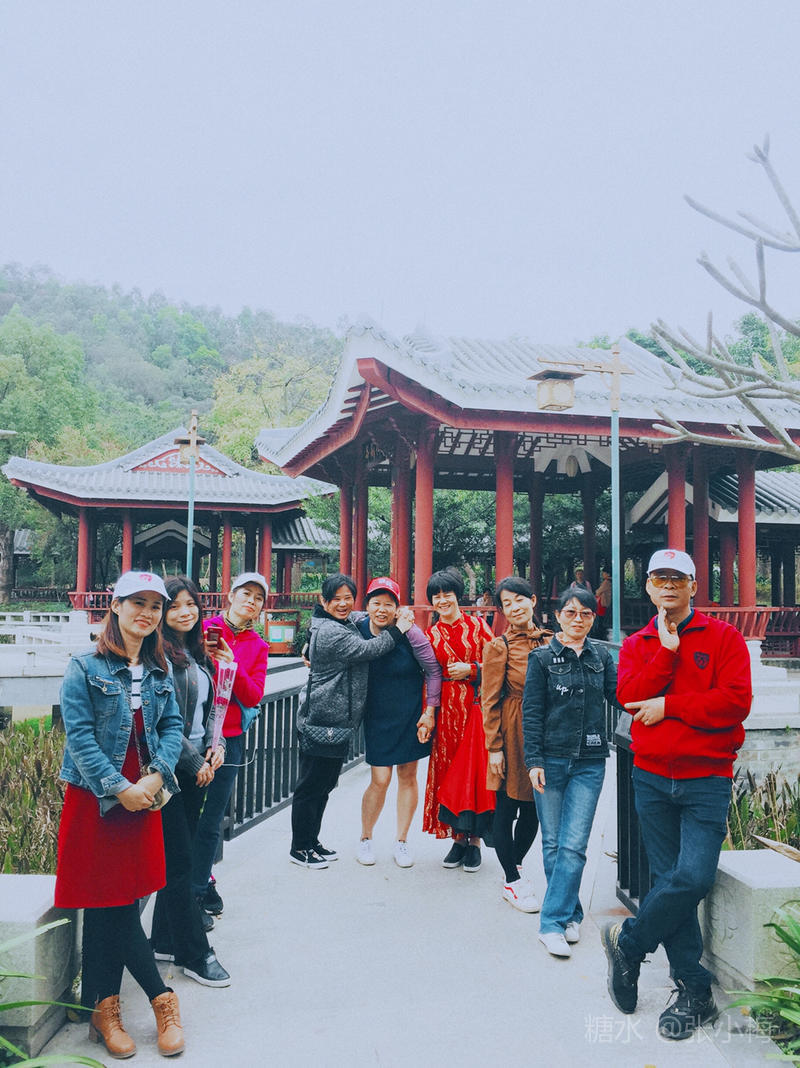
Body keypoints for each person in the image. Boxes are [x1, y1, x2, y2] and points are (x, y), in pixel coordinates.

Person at [602, 549, 752, 1040]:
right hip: (650, 777)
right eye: (659, 578)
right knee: (670, 880)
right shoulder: (638, 643)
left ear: (693, 585)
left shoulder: (723, 638)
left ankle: (629, 943)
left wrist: (668, 706)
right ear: (648, 586)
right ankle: (694, 990)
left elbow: (734, 703)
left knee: (691, 877)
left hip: (706, 778)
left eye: (678, 578)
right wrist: (666, 653)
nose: (668, 585)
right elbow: (629, 697)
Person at [54, 571, 185, 1058]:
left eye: (155, 605)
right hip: (97, 797)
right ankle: (160, 998)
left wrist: (155, 777)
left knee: (120, 899)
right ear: (116, 605)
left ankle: (101, 1010)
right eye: (137, 603)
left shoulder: (159, 669)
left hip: (144, 794)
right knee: (108, 899)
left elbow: (172, 727)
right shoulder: (84, 665)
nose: (146, 613)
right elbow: (79, 737)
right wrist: (118, 788)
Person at [290, 573, 415, 868]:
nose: (343, 604)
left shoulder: (339, 621)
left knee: (323, 786)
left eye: (348, 598)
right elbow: (370, 649)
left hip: (335, 722)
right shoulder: (331, 632)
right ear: (324, 602)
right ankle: (300, 848)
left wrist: (385, 610)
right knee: (310, 787)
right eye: (336, 599)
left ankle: (312, 841)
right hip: (321, 718)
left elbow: (361, 615)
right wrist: (399, 627)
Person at [522, 586, 617, 958]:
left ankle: (551, 923)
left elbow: (620, 696)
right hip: (551, 759)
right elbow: (532, 713)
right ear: (558, 615)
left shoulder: (602, 656)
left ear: (594, 618)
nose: (578, 619)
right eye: (571, 612)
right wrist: (534, 761)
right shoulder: (541, 658)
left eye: (586, 614)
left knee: (573, 844)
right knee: (553, 843)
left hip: (589, 761)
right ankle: (569, 913)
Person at [150, 576, 231, 987]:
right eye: (175, 605)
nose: (185, 612)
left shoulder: (198, 654)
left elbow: (213, 710)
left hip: (199, 765)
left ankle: (165, 938)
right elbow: (162, 723)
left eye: (191, 604)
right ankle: (196, 953)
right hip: (172, 769)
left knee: (177, 859)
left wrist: (218, 747)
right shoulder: (157, 657)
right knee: (181, 861)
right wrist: (197, 759)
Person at [193, 571, 269, 918]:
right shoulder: (203, 628)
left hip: (231, 738)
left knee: (212, 818)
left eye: (258, 598)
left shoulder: (258, 646)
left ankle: (199, 887)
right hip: (194, 734)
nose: (251, 601)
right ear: (231, 595)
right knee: (186, 814)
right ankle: (187, 884)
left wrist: (231, 666)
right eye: (245, 594)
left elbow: (253, 696)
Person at [355, 576, 442, 868]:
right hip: (376, 714)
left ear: (397, 607)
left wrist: (429, 710)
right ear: (367, 605)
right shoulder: (357, 628)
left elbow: (433, 670)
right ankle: (366, 837)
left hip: (409, 712)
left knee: (407, 775)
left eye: (388, 604)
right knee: (380, 779)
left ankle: (402, 840)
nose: (382, 609)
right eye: (376, 603)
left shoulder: (410, 632)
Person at [481, 576, 552, 913]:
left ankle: (516, 865)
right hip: (512, 731)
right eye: (507, 603)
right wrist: (494, 747)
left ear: (533, 600)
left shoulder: (552, 641)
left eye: (519, 599)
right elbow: (489, 700)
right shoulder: (500, 647)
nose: (514, 607)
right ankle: (511, 879)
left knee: (534, 806)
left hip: (544, 733)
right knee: (507, 804)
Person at [423, 568, 496, 872]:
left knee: (474, 773)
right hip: (447, 713)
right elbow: (429, 676)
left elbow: (498, 663)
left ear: (458, 596)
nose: (442, 600)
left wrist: (473, 669)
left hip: (476, 709)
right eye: (437, 596)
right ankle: (458, 838)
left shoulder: (478, 626)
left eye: (447, 594)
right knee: (449, 772)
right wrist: (428, 714)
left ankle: (474, 840)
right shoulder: (430, 635)